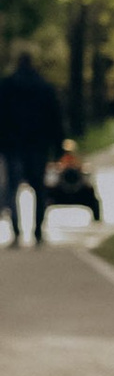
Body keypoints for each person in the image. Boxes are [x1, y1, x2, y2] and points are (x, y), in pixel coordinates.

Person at [1, 51, 65, 244]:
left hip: (13, 145)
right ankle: (38, 230)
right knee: (39, 188)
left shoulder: (6, 87)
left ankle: (16, 230)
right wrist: (58, 146)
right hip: (38, 145)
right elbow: (55, 117)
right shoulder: (44, 87)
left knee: (12, 188)